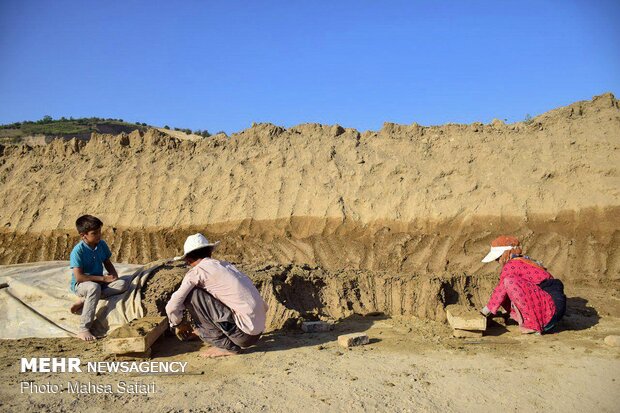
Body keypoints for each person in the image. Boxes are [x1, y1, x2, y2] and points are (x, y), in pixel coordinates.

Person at [166, 233, 268, 358]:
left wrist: (178, 324)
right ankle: (207, 331)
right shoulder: (226, 266)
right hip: (257, 331)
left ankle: (226, 346)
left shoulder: (197, 272)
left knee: (192, 295)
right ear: (210, 253)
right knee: (211, 292)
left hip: (244, 336)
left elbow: (172, 306)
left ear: (188, 260)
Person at [480, 235, 566, 334]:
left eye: (498, 257)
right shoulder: (524, 261)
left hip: (550, 307)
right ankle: (538, 321)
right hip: (554, 308)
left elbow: (500, 290)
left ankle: (533, 325)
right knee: (507, 287)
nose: (497, 261)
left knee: (508, 282)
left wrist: (486, 311)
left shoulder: (511, 265)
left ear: (506, 253)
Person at [69, 215, 128, 341]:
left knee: (122, 284)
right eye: (94, 233)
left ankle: (87, 299)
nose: (99, 235)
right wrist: (103, 279)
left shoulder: (101, 244)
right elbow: (79, 277)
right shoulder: (77, 251)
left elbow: (106, 261)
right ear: (83, 235)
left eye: (99, 231)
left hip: (99, 284)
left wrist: (113, 275)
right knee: (93, 287)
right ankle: (83, 329)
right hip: (83, 285)